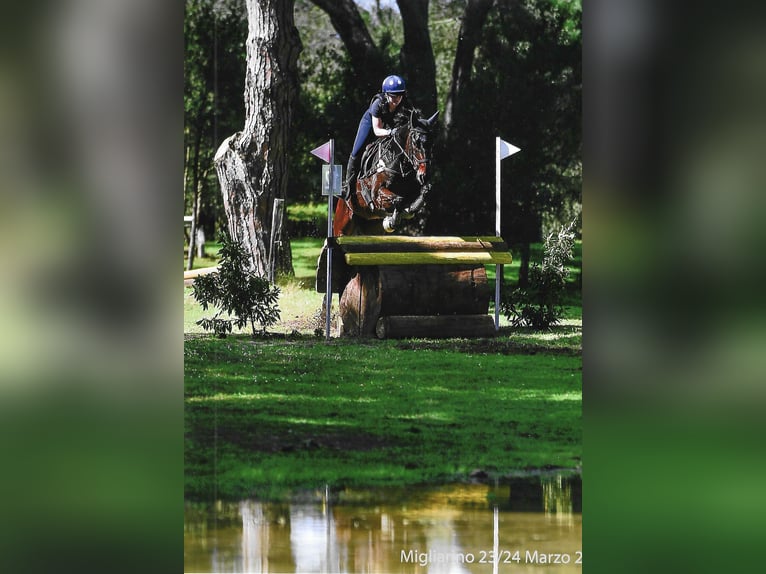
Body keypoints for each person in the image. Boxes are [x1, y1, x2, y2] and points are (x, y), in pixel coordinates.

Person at [344, 75, 412, 198]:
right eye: (393, 96)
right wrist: (391, 132)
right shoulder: (377, 104)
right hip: (371, 125)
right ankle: (347, 186)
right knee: (356, 151)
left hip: (389, 125)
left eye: (400, 95)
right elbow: (377, 130)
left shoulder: (404, 102)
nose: (397, 99)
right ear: (386, 94)